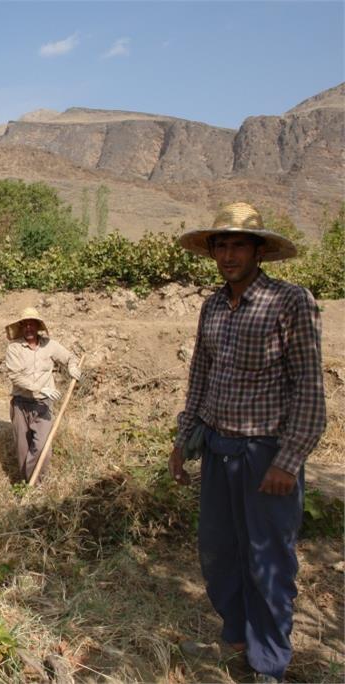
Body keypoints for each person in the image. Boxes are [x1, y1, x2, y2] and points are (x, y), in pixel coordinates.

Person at [169, 203, 326, 683]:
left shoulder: (290, 301)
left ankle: (268, 662)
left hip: (266, 455)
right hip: (218, 448)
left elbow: (308, 388)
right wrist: (183, 439)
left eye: (239, 244)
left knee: (268, 560)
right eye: (221, 244)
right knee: (218, 551)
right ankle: (237, 634)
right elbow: (201, 376)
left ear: (260, 251)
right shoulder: (212, 305)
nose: (228, 254)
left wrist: (288, 460)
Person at [4, 307, 80, 483]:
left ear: (38, 326)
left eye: (32, 324)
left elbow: (70, 357)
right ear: (21, 327)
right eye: (25, 325)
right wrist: (38, 388)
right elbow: (15, 376)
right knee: (22, 449)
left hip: (43, 405)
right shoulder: (14, 348)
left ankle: (35, 487)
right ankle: (25, 484)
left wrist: (72, 367)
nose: (29, 328)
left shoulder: (50, 345)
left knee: (42, 448)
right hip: (20, 404)